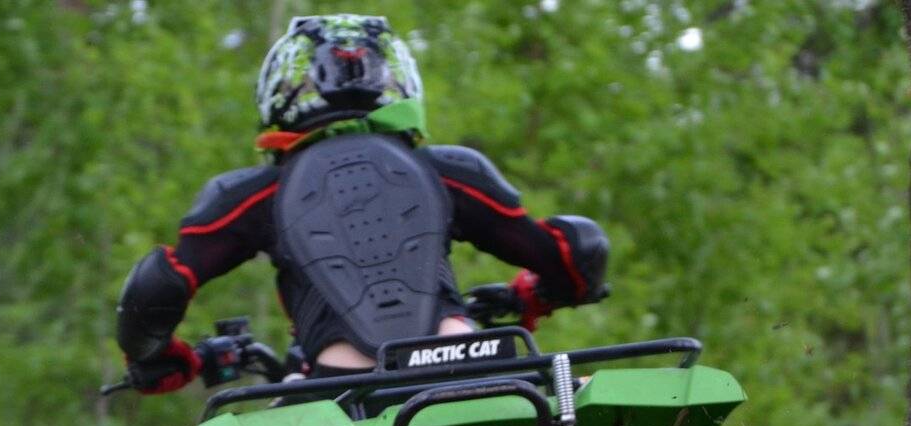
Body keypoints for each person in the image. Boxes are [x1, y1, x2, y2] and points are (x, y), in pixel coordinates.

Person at [115, 13, 609, 394]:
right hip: (470, 363)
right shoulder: (448, 170)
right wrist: (534, 296)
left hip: (342, 387)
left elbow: (158, 286)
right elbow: (573, 255)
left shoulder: (256, 193)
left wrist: (163, 360)